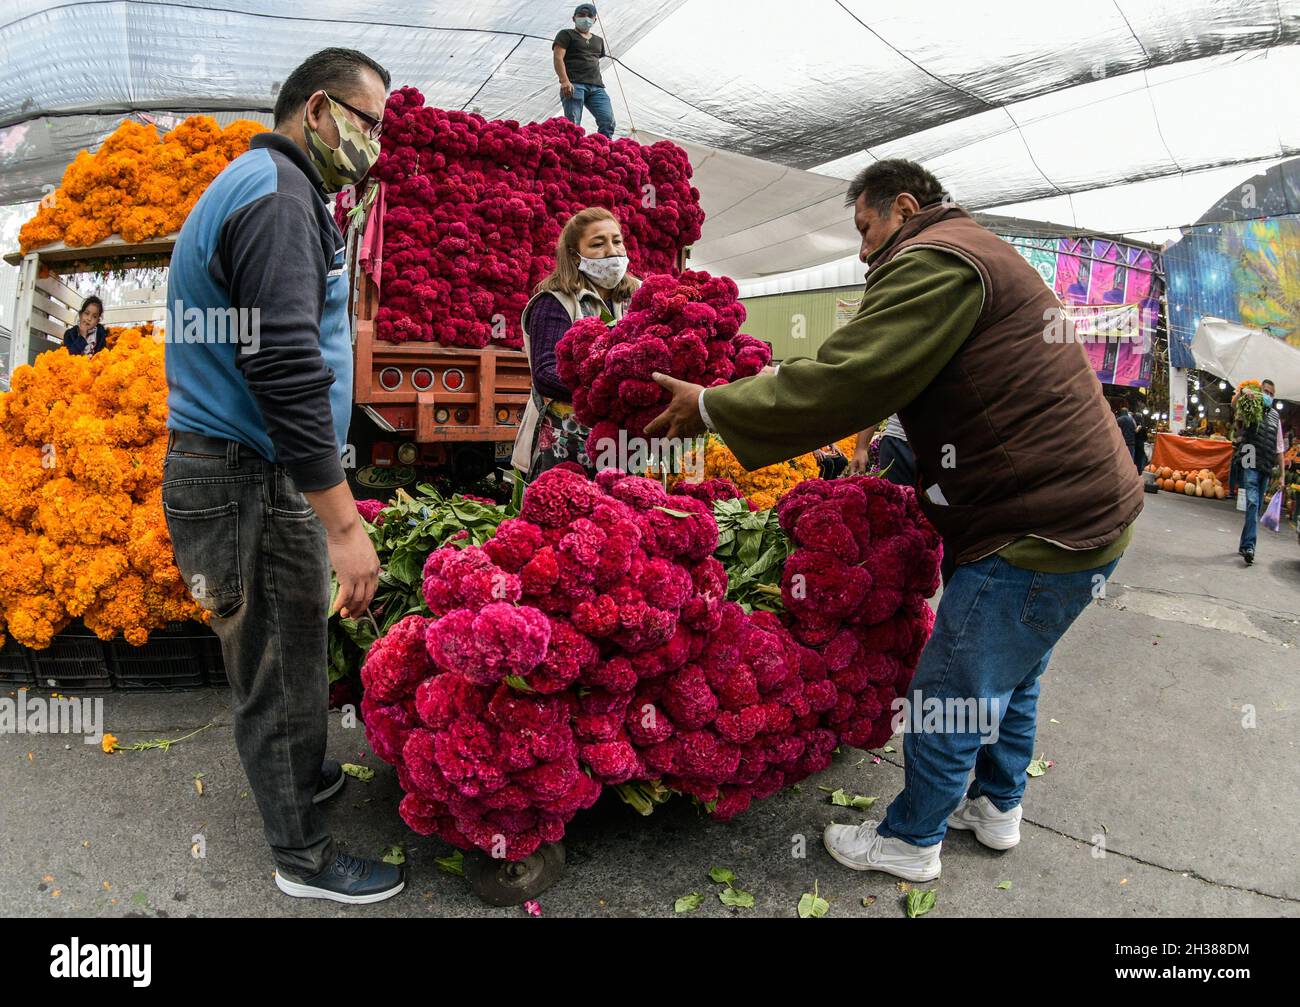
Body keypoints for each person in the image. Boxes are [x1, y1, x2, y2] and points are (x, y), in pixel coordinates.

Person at [647, 159, 1142, 882]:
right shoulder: (976, 251)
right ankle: (997, 806)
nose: (861, 249)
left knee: (950, 687)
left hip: (1038, 524)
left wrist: (714, 404)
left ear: (904, 206)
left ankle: (911, 840)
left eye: (866, 227)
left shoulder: (937, 259)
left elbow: (850, 378)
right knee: (1015, 668)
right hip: (1086, 513)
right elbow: (941, 384)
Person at [163, 48, 402, 904]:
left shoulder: (278, 187)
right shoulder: (276, 198)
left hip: (255, 471)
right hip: (242, 474)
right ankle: (300, 858)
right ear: (315, 111)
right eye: (367, 121)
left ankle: (304, 775)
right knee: (270, 657)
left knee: (294, 639)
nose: (375, 141)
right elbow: (285, 364)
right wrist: (343, 524)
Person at [512, 207, 640, 479]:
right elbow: (546, 375)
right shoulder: (554, 302)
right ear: (574, 255)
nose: (612, 251)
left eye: (616, 241)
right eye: (598, 244)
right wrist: (614, 392)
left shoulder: (638, 296)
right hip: (566, 442)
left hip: (629, 443)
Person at [1236, 378, 1285, 566]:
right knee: (1253, 502)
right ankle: (1250, 547)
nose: (1268, 396)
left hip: (1265, 464)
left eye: (1271, 394)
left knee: (1254, 507)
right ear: (1259, 391)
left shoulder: (1276, 417)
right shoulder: (1251, 404)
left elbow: (1279, 448)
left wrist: (1281, 475)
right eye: (1266, 392)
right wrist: (1242, 394)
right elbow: (1235, 407)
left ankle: (1244, 543)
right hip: (1250, 458)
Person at [553, 4, 615, 138]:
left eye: (589, 16)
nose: (585, 19)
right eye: (581, 16)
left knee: (608, 120)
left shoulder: (598, 40)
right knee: (573, 125)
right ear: (574, 18)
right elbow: (558, 58)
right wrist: (564, 81)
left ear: (594, 20)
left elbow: (595, 59)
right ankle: (573, 153)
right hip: (574, 85)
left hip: (597, 87)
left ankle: (604, 150)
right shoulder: (566, 34)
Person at [1115, 405, 1140, 472]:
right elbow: (1135, 430)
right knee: (1130, 460)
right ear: (1127, 412)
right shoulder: (1132, 420)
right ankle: (1130, 473)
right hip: (1131, 443)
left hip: (1121, 443)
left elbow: (1114, 430)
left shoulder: (1118, 420)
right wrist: (1139, 427)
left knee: (1121, 460)